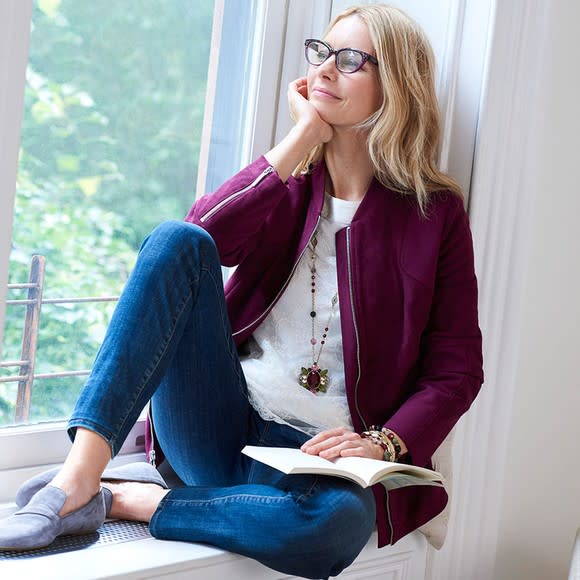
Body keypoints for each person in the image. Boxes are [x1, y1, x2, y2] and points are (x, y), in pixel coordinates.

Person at [0, 4, 483, 578]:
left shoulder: (434, 214)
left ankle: (124, 498)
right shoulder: (286, 185)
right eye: (321, 53)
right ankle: (77, 476)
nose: (326, 69)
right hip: (221, 421)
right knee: (175, 238)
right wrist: (303, 135)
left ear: (396, 85)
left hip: (316, 462)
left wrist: (385, 443)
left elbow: (456, 370)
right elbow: (196, 242)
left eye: (351, 60)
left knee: (336, 527)